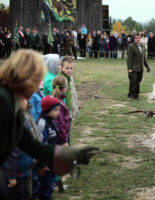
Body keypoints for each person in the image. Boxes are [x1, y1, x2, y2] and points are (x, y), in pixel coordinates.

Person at [0, 49, 99, 181]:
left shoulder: (13, 104)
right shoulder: (4, 100)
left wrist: (68, 154)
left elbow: (31, 146)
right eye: (37, 78)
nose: (38, 84)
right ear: (25, 76)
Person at [35, 95, 60, 200]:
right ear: (47, 110)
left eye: (58, 110)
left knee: (49, 186)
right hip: (45, 165)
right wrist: (42, 164)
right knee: (44, 188)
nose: (58, 112)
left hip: (52, 162)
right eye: (55, 110)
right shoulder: (41, 124)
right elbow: (39, 145)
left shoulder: (52, 121)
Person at [127, 34, 151, 99]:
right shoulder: (131, 46)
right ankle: (131, 94)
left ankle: (136, 95)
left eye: (139, 38)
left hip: (140, 68)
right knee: (133, 81)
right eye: (136, 38)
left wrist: (147, 67)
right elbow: (129, 59)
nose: (138, 39)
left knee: (138, 81)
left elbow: (144, 58)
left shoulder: (142, 46)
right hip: (133, 68)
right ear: (134, 39)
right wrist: (129, 68)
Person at [58, 56, 79, 120]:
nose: (69, 70)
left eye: (71, 68)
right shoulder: (61, 79)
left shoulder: (70, 78)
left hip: (70, 109)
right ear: (61, 68)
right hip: (64, 109)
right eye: (67, 68)